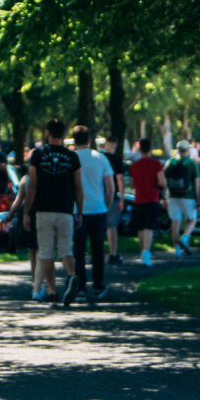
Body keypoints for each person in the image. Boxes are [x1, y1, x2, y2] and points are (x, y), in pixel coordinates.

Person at [24, 119, 84, 304]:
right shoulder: (72, 157)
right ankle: (72, 275)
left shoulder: (38, 155)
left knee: (46, 252)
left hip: (43, 209)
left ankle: (52, 290)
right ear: (63, 133)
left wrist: (27, 211)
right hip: (65, 209)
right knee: (66, 248)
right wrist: (79, 211)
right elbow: (78, 187)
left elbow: (32, 185)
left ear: (47, 133)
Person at [72, 126, 115, 299]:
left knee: (79, 251)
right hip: (98, 210)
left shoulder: (72, 158)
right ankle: (98, 285)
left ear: (74, 141)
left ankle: (80, 287)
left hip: (78, 211)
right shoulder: (101, 158)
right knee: (98, 250)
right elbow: (110, 188)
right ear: (90, 140)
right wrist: (106, 205)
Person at [6, 152, 48, 301]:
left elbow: (18, 201)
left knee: (32, 251)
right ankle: (40, 282)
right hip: (44, 214)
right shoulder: (48, 177)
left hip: (29, 216)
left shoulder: (26, 179)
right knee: (42, 251)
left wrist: (10, 215)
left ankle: (34, 281)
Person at [127, 137, 166, 267]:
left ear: (139, 149)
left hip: (138, 199)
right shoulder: (156, 164)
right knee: (149, 227)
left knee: (140, 227)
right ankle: (146, 252)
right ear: (150, 148)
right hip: (152, 198)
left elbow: (132, 185)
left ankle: (142, 252)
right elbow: (162, 182)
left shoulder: (134, 165)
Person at [165, 140, 200, 257]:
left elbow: (164, 180)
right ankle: (185, 237)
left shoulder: (170, 163)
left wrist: (165, 196)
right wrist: (198, 198)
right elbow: (196, 181)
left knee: (175, 221)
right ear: (188, 150)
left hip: (172, 195)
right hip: (188, 196)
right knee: (192, 219)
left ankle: (176, 249)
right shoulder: (191, 163)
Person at [103, 137, 125, 265]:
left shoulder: (99, 159)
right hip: (112, 196)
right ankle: (113, 253)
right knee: (111, 226)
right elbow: (120, 180)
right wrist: (121, 198)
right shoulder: (116, 160)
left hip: (99, 195)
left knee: (99, 225)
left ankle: (97, 253)